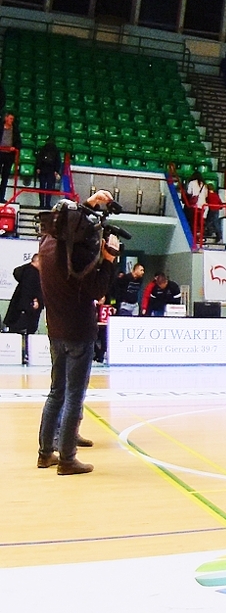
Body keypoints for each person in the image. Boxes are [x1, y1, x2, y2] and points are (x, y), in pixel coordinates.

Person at [36, 191, 122, 475]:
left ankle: (45, 453)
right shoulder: (76, 254)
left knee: (56, 393)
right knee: (74, 396)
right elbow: (97, 289)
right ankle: (67, 459)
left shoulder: (47, 245)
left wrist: (89, 204)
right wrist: (108, 259)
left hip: (56, 329)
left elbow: (68, 222)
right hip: (78, 331)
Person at [3, 253, 42, 363]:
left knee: (20, 332)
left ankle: (22, 354)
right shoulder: (32, 273)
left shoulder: (27, 272)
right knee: (24, 332)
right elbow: (28, 292)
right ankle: (23, 354)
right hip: (26, 310)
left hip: (22, 309)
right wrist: (33, 303)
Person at [35, 138, 62, 204]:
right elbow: (58, 161)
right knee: (49, 188)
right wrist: (56, 170)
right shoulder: (56, 150)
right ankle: (47, 203)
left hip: (43, 170)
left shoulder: (43, 149)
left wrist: (38, 167)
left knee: (42, 187)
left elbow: (38, 159)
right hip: (51, 170)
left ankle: (42, 203)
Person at [0, 114, 17, 196]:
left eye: (12, 119)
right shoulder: (0, 127)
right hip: (0, 153)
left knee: (5, 177)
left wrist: (14, 147)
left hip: (9, 155)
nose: (11, 120)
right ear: (6, 118)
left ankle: (1, 196)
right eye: (10, 118)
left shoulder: (15, 129)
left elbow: (18, 142)